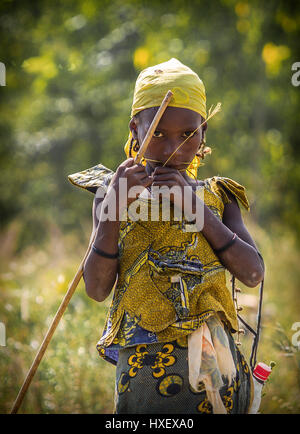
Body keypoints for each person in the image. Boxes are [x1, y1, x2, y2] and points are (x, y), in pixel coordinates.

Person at [68, 58, 264, 414]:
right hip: (143, 375)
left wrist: (196, 210)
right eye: (157, 132)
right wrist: (113, 207)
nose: (171, 147)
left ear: (203, 132)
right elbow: (97, 290)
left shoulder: (218, 196)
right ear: (135, 130)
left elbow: (253, 274)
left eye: (187, 134)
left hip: (218, 374)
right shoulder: (110, 195)